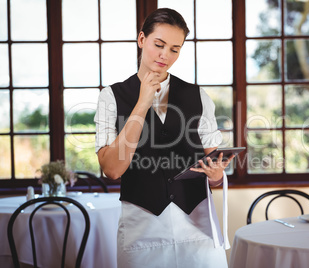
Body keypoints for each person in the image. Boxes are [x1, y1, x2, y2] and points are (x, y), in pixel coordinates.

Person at [94, 8, 234, 268]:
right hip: (142, 229)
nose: (165, 55)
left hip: (197, 228)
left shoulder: (198, 96)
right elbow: (112, 169)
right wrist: (142, 103)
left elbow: (214, 164)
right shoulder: (111, 97)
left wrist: (216, 176)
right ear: (141, 40)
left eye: (174, 49)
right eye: (159, 44)